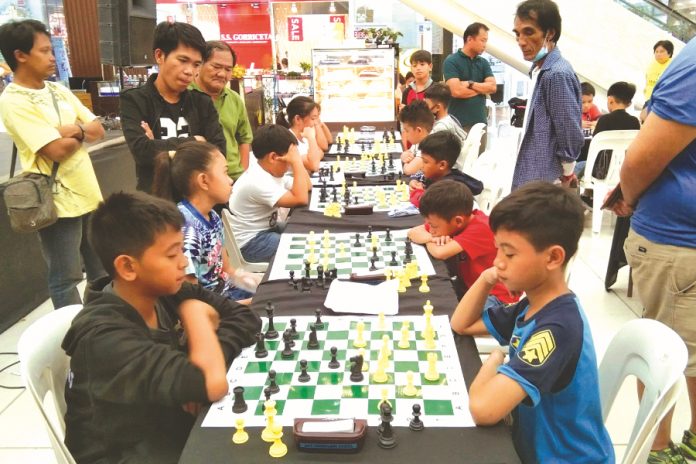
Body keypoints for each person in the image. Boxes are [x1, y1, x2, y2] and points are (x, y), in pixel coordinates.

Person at [62, 191, 261, 463]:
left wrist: (197, 360)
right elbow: (211, 384)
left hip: (166, 426)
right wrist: (196, 317)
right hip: (128, 452)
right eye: (171, 254)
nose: (183, 262)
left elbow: (245, 317)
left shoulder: (167, 290)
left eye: (181, 249)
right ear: (128, 267)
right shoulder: (102, 336)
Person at [450, 182, 614, 463]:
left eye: (509, 253)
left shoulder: (556, 327)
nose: (498, 261)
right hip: (531, 449)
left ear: (553, 257)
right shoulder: (532, 305)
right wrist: (488, 277)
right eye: (497, 249)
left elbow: (483, 408)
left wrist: (497, 359)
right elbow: (461, 324)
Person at [608, 36, 696, 464]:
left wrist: (629, 194)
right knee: (677, 356)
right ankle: (661, 449)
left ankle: (668, 448)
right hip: (680, 242)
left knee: (678, 355)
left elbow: (643, 155)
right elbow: (646, 152)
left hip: (680, 239)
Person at [0, 20, 106, 309]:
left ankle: (106, 328)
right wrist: (77, 131)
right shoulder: (13, 101)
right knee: (65, 278)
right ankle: (72, 342)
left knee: (102, 273)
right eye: (45, 50)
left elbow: (98, 129)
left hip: (89, 195)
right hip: (57, 204)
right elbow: (56, 150)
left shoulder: (58, 90)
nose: (52, 57)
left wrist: (73, 130)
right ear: (20, 55)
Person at [120, 21, 225, 192]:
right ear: (160, 56)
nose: (189, 71)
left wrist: (159, 146)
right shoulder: (135, 100)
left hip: (197, 201)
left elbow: (219, 152)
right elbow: (142, 152)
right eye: (183, 60)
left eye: (196, 64)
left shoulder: (202, 102)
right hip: (156, 203)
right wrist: (196, 141)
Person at [151, 141, 261, 303]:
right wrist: (254, 302)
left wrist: (264, 283)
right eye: (225, 173)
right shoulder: (187, 231)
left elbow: (228, 270)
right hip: (212, 308)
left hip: (228, 296)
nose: (230, 180)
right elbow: (193, 301)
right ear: (203, 181)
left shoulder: (213, 217)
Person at [511, 0, 584, 190]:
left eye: (529, 32)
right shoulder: (539, 69)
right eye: (517, 34)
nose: (521, 41)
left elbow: (569, 131)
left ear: (549, 33)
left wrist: (568, 172)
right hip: (534, 171)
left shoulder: (556, 74)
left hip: (547, 179)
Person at [407, 180, 515, 307]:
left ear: (458, 221)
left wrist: (431, 239)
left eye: (433, 226)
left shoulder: (481, 228)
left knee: (458, 322)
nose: (430, 230)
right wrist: (433, 237)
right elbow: (413, 232)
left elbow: (440, 253)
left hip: (496, 296)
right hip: (470, 286)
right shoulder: (451, 221)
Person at [228, 125, 311, 263]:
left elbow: (307, 185)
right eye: (289, 160)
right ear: (273, 157)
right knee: (299, 248)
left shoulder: (270, 172)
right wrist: (297, 161)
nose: (290, 165)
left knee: (305, 232)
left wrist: (295, 160)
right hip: (249, 243)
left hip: (266, 230)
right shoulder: (257, 180)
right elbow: (301, 198)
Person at [191, 41, 252, 181]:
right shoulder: (186, 96)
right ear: (200, 64)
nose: (222, 74)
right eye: (216, 66)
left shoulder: (234, 99)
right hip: (198, 181)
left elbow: (244, 139)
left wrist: (242, 174)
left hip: (233, 178)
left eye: (228, 69)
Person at [443, 22, 496, 152]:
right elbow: (456, 91)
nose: (485, 45)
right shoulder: (451, 61)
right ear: (469, 39)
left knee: (477, 165)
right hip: (458, 124)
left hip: (480, 123)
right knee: (458, 165)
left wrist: (471, 84)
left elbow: (493, 87)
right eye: (482, 40)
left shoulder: (483, 62)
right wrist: (481, 90)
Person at [575, 81, 641, 180]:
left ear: (610, 100)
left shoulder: (604, 120)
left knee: (575, 167)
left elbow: (594, 146)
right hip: (622, 171)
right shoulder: (635, 122)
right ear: (629, 104)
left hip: (599, 172)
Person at [407, 131, 483, 208]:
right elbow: (420, 175)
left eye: (425, 162)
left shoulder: (450, 188)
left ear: (442, 165)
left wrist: (419, 192)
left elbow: (427, 205)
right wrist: (414, 180)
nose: (421, 166)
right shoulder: (436, 175)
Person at [424, 83, 469, 171]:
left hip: (449, 173)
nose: (425, 109)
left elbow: (430, 158)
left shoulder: (441, 128)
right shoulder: (452, 119)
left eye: (427, 105)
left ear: (437, 107)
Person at [276, 95, 323, 172]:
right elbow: (314, 165)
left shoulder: (303, 136)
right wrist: (311, 138)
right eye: (313, 118)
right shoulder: (288, 141)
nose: (315, 123)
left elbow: (321, 151)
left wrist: (313, 157)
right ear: (298, 119)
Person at [399, 100, 435, 176]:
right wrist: (406, 157)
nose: (405, 134)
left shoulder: (431, 145)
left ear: (419, 130)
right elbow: (405, 154)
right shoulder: (419, 140)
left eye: (407, 130)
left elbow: (408, 170)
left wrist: (406, 162)